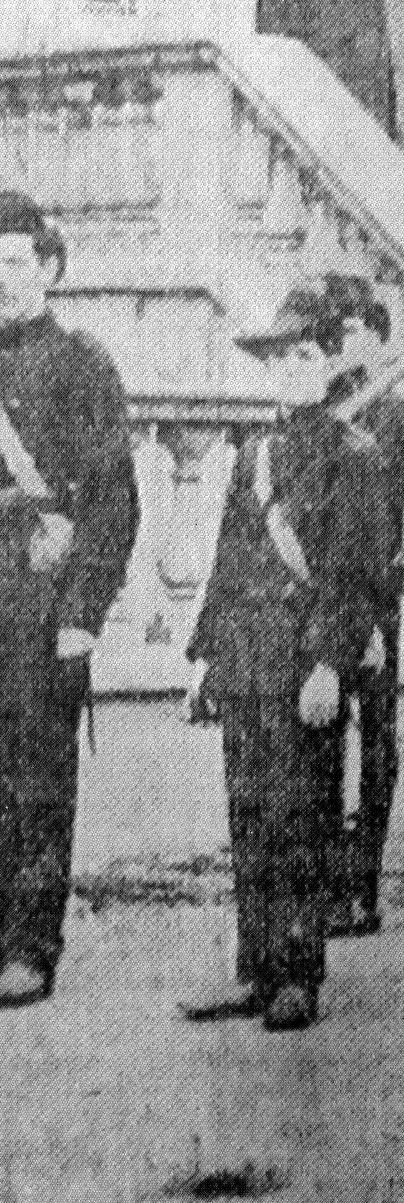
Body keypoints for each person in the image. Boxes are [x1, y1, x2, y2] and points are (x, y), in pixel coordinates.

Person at [0, 191, 139, 1007]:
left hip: (44, 596)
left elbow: (112, 499)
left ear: (47, 268)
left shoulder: (82, 362)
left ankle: (32, 949)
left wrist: (83, 613)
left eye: (14, 261)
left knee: (38, 775)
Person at [182, 273, 385, 1030]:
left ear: (332, 362)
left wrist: (329, 664)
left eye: (305, 354)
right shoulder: (255, 456)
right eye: (279, 357)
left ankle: (297, 970)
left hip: (306, 663)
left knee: (303, 816)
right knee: (250, 816)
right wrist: (208, 659)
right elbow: (229, 562)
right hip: (247, 657)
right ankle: (255, 967)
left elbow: (355, 576)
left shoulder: (356, 455)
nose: (290, 369)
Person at [324, 287, 403, 937]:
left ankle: (362, 884)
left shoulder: (395, 413)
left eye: (351, 330)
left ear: (377, 337)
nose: (341, 344)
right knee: (319, 734)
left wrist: (385, 596)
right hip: (321, 595)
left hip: (375, 594)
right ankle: (323, 883)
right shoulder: (323, 406)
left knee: (375, 737)